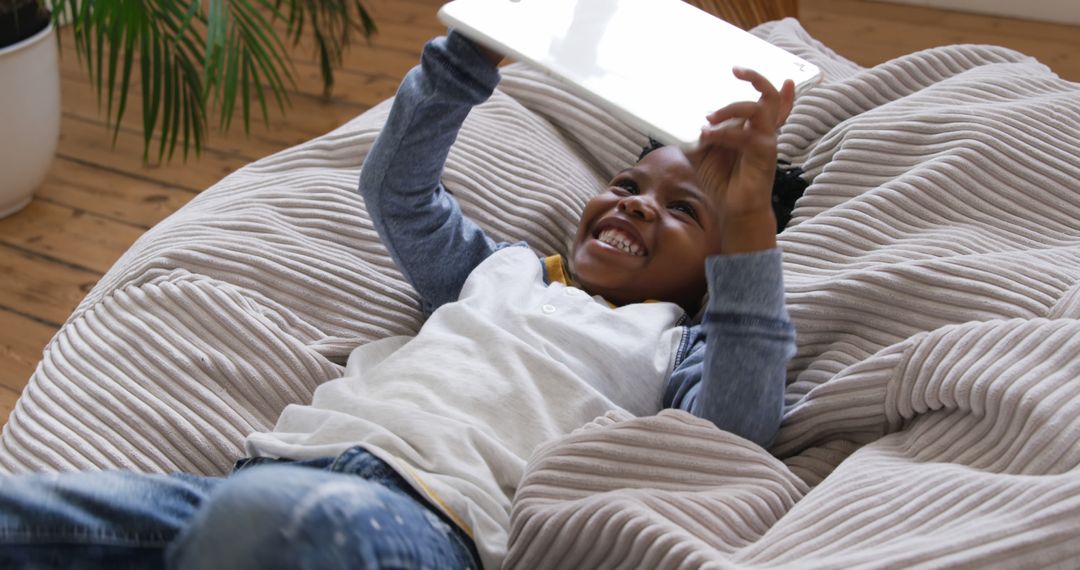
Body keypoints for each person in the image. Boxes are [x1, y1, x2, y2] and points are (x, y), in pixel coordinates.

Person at [0, 31, 797, 570]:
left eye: (687, 210)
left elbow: (736, 422)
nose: (635, 204)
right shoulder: (502, 269)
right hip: (259, 481)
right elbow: (399, 192)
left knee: (283, 525)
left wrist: (749, 221)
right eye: (627, 185)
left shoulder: (675, 346)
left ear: (716, 276)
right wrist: (467, 54)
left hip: (424, 528)